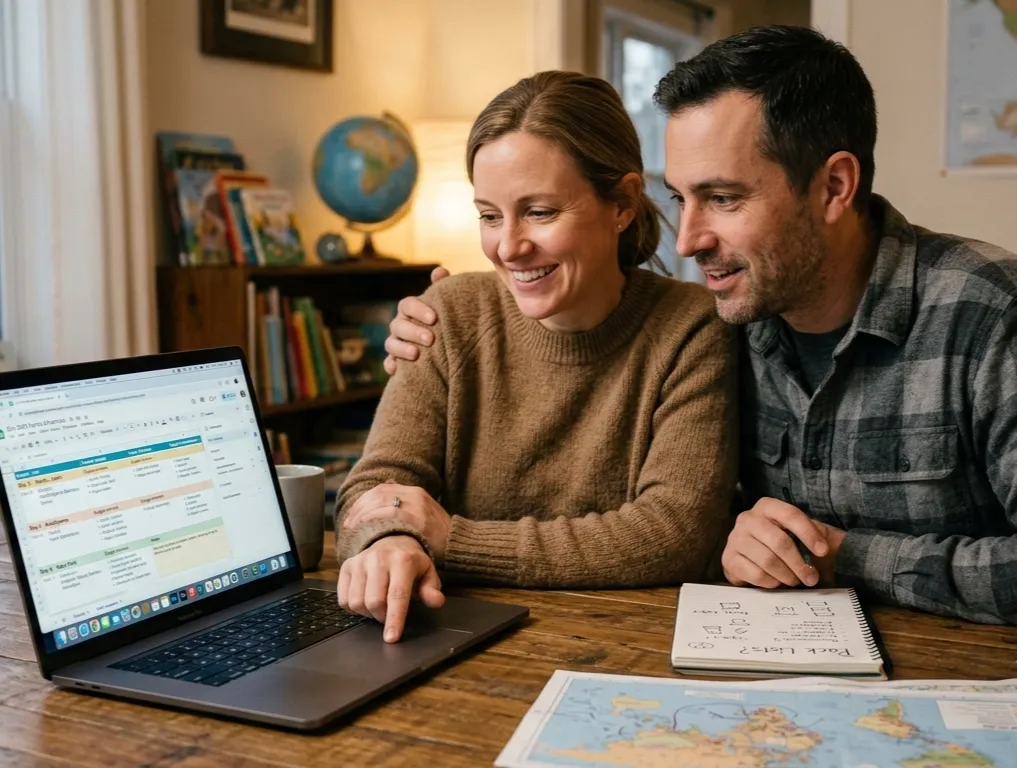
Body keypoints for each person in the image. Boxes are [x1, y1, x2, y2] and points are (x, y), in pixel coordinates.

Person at [383, 26, 1017, 625]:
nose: (687, 241)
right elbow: (698, 508)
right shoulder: (732, 322)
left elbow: (681, 530)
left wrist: (845, 557)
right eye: (682, 199)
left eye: (724, 199)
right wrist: (438, 330)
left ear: (833, 187)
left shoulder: (990, 316)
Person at [336, 70, 739, 643]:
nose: (508, 246)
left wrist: (453, 541)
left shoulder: (692, 327)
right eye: (489, 215)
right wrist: (390, 541)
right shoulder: (447, 313)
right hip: (450, 640)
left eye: (541, 212)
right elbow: (375, 487)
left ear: (622, 202)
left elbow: (674, 534)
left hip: (625, 647)